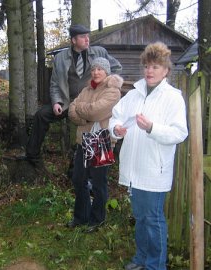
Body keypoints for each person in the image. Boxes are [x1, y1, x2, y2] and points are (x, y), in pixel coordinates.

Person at [109, 42, 188, 270]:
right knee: (140, 217)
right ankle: (141, 259)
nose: (149, 71)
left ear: (165, 70)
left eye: (155, 66)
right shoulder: (134, 94)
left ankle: (156, 265)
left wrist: (152, 127)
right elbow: (116, 116)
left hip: (155, 171)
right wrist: (117, 129)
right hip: (134, 170)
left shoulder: (173, 97)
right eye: (147, 66)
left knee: (153, 220)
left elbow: (179, 133)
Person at [21, 24, 122, 167]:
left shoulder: (99, 52)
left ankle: (83, 168)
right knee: (41, 115)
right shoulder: (60, 58)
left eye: (88, 36)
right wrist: (56, 102)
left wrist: (108, 84)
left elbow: (116, 67)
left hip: (90, 102)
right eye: (83, 37)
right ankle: (32, 155)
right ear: (73, 40)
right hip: (67, 102)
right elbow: (55, 83)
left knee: (91, 127)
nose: (87, 40)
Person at [68, 57, 122, 232]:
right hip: (84, 138)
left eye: (100, 69)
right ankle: (81, 216)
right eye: (93, 69)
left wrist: (83, 110)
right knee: (78, 179)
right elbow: (71, 110)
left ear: (106, 71)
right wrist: (86, 113)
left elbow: (97, 111)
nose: (96, 72)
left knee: (98, 183)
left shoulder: (113, 91)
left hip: (101, 140)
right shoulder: (86, 89)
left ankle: (97, 219)